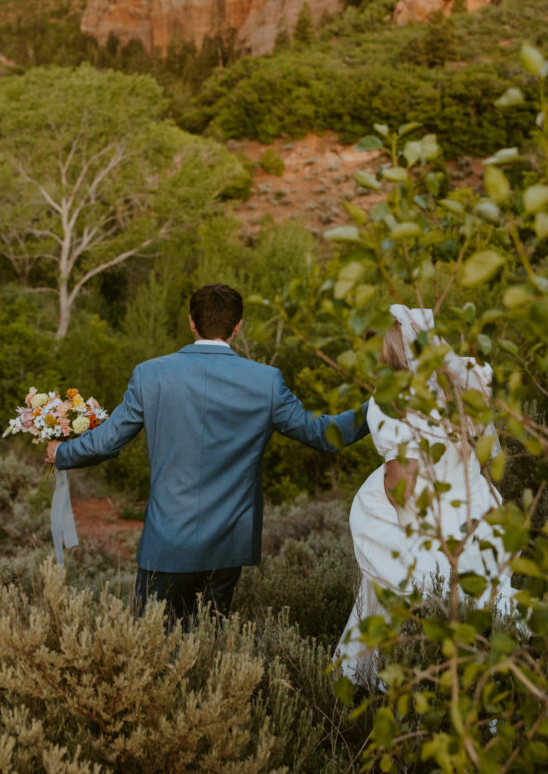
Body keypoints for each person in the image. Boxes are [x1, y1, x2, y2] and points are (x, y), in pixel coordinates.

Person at [47, 283, 369, 625]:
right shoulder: (267, 382)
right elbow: (323, 436)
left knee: (150, 648)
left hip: (167, 541)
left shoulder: (150, 375)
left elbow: (107, 443)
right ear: (237, 326)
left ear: (191, 322)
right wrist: (378, 408)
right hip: (229, 546)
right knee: (208, 649)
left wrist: (61, 452)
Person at [337, 304, 515, 684]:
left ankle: (410, 696)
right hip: (475, 516)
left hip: (427, 529)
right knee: (482, 612)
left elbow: (404, 486)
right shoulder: (461, 391)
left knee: (414, 611)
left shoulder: (393, 404)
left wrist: (394, 518)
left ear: (390, 354)